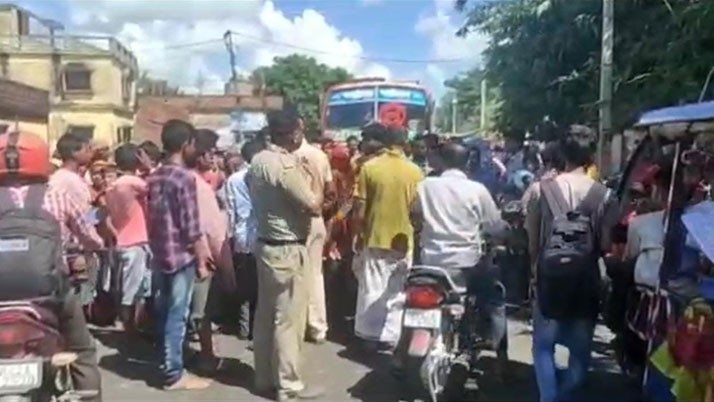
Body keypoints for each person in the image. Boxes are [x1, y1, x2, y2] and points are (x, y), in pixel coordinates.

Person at [0, 131, 104, 401]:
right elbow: (87, 234)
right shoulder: (56, 194)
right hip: (50, 296)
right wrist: (96, 245)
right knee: (82, 351)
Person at [524, 127, 610, 402]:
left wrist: (534, 272)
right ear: (591, 156)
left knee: (543, 347)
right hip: (586, 278)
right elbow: (605, 244)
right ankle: (566, 392)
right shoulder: (604, 195)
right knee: (581, 351)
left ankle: (548, 398)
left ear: (562, 153)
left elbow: (533, 240)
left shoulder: (541, 189)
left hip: (549, 277)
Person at [409, 142, 508, 374]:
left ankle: (401, 358)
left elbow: (414, 215)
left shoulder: (424, 186)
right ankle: (496, 357)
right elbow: (494, 226)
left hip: (430, 262)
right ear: (468, 162)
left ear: (441, 161)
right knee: (495, 299)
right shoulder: (477, 190)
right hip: (467, 264)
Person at [248, 108, 324, 402]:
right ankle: (289, 385)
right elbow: (313, 203)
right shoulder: (285, 165)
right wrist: (311, 179)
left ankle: (264, 378)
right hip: (288, 248)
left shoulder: (258, 160)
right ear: (294, 132)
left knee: (266, 315)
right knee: (288, 320)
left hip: (266, 244)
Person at [146, 119, 211, 390]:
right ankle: (174, 373)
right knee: (178, 315)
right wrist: (202, 260)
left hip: (161, 254)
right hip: (181, 257)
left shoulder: (155, 175)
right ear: (186, 144)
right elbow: (191, 226)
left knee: (165, 314)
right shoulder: (184, 178)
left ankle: (169, 362)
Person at [352, 123, 424, 348]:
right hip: (404, 239)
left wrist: (358, 233)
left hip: (374, 236)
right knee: (397, 290)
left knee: (372, 288)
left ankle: (369, 337)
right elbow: (418, 209)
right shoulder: (415, 171)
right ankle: (391, 337)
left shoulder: (370, 168)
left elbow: (360, 207)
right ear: (404, 144)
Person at [186, 128, 233, 372]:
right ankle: (206, 357)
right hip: (199, 257)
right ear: (200, 154)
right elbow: (214, 232)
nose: (214, 158)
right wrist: (226, 267)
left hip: (170, 256)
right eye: (211, 153)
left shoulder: (167, 178)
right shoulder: (199, 187)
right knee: (201, 311)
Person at [293, 122, 334, 344]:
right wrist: (318, 208)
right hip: (316, 220)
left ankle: (297, 326)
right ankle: (318, 327)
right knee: (316, 275)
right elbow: (331, 193)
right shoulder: (319, 156)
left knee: (295, 276)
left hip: (292, 223)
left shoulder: (284, 158)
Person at [105, 143, 151, 337]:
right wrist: (148, 167)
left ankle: (130, 325)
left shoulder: (112, 187)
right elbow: (156, 187)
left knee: (125, 286)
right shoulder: (132, 183)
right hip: (135, 242)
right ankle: (130, 329)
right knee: (133, 290)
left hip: (120, 240)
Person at [224, 139, 265, 340]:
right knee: (260, 285)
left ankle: (243, 327)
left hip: (241, 238)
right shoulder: (265, 177)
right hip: (263, 237)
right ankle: (257, 329)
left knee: (244, 285)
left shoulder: (233, 180)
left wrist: (230, 236)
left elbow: (230, 211)